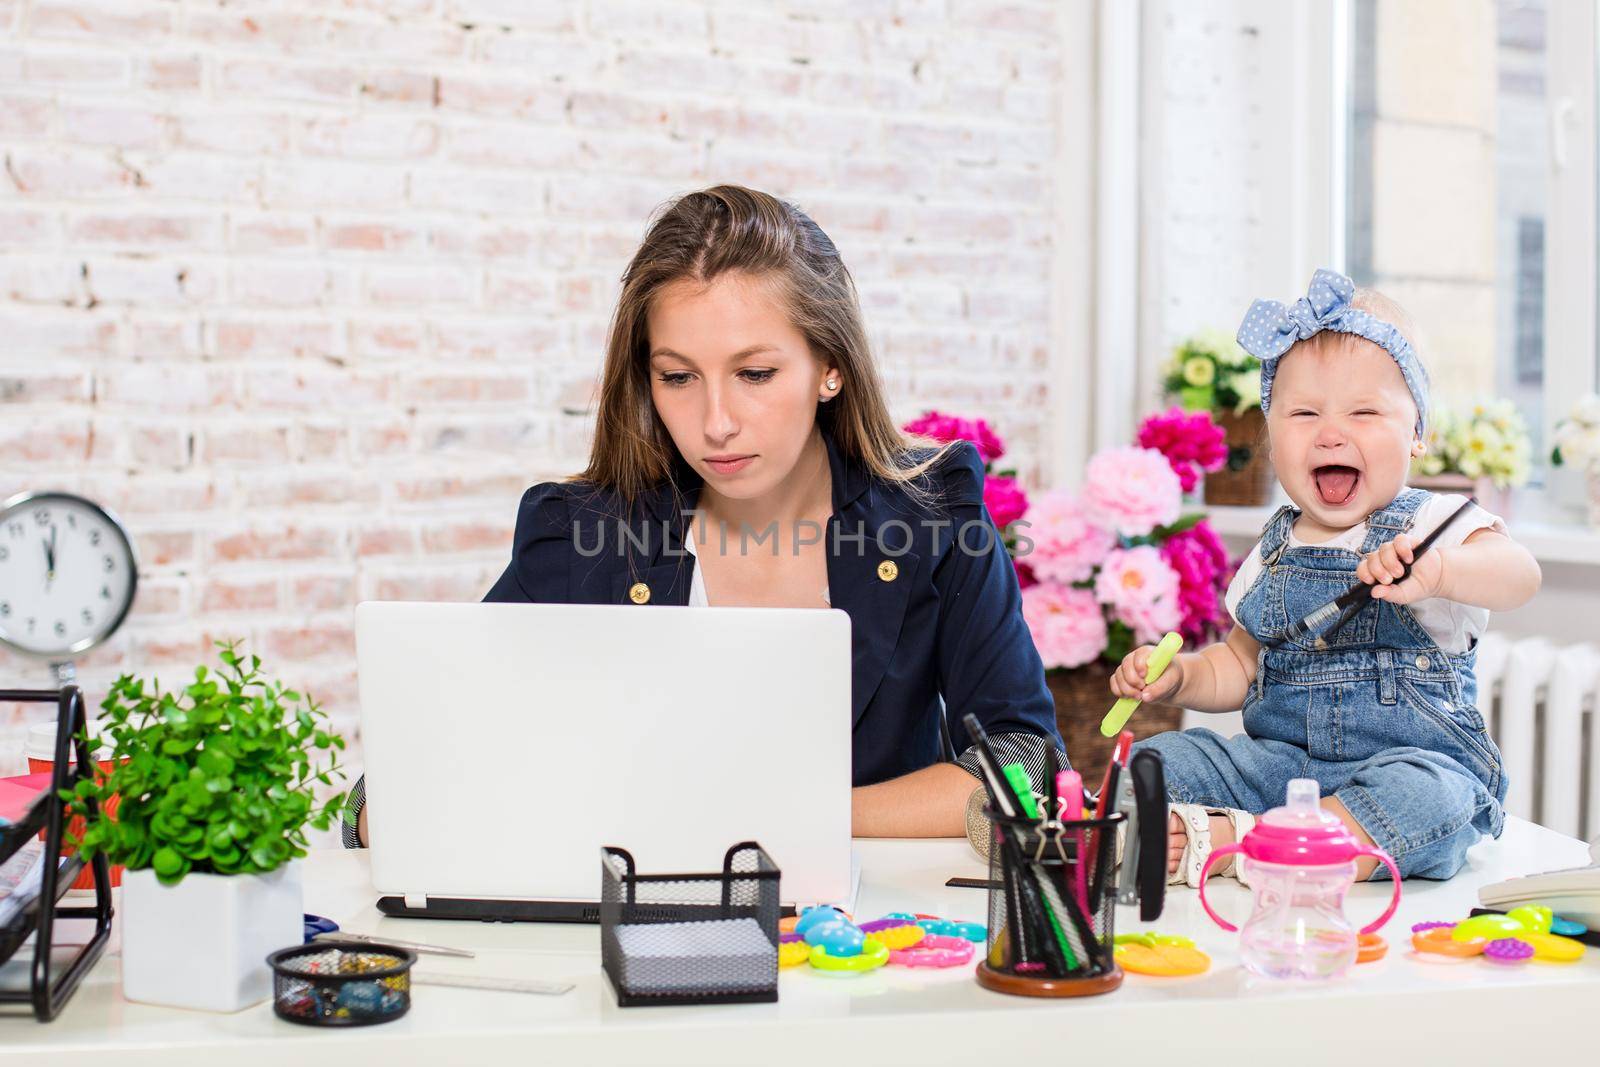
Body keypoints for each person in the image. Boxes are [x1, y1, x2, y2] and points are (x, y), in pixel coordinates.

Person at [345, 185, 1064, 847]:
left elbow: (1026, 761)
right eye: (678, 377)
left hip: (863, 945)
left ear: (830, 367)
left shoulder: (935, 517)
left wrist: (776, 814)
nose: (715, 422)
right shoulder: (579, 535)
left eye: (754, 374)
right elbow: (389, 793)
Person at [1113, 269, 1541, 883]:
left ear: (1416, 431)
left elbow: (1519, 576)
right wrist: (1178, 677)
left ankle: (1247, 841)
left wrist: (1441, 570)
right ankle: (1253, 839)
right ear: (1269, 434)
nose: (1332, 432)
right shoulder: (1273, 549)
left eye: (1365, 411)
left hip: (1406, 764)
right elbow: (1238, 666)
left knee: (1437, 799)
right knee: (1160, 759)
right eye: (1304, 412)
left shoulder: (1436, 523)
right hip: (1279, 770)